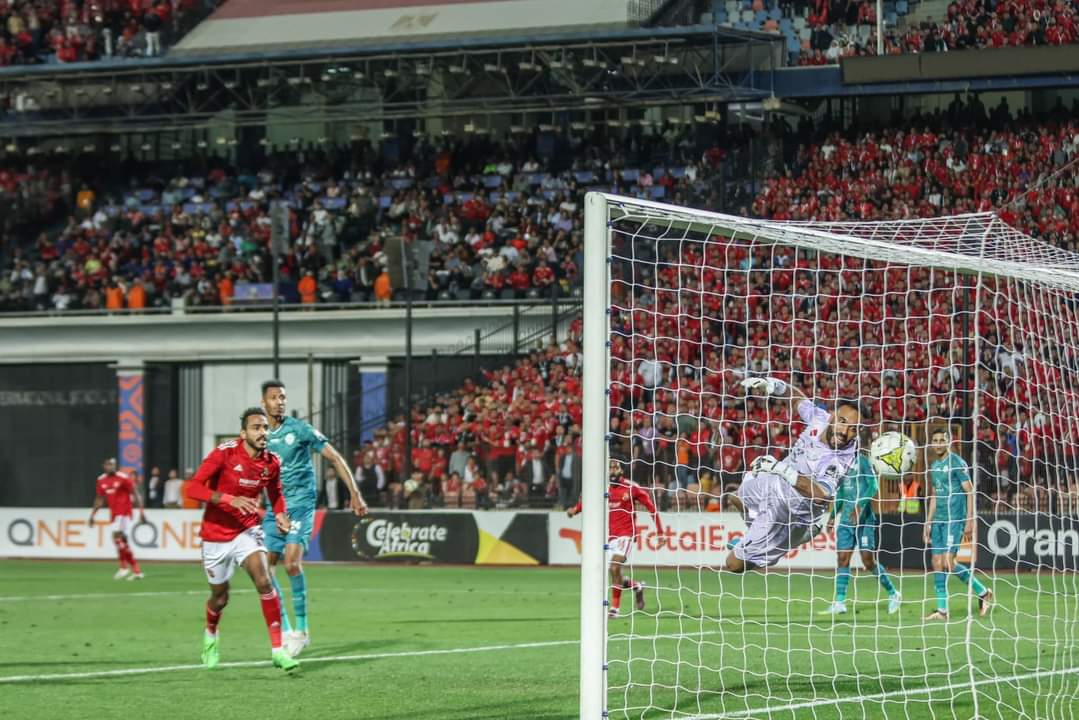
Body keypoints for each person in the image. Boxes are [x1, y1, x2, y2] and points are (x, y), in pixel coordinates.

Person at [185, 407, 298, 672]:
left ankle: (278, 650)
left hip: (246, 531)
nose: (262, 432)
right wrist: (228, 499)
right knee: (220, 598)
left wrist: (280, 514)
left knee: (264, 580)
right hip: (215, 535)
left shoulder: (271, 462)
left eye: (265, 428)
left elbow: (276, 493)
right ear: (243, 433)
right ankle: (211, 634)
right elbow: (193, 488)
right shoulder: (224, 453)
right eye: (256, 428)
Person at [261, 380, 368, 657]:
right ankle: (286, 630)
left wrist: (354, 493)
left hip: (300, 504)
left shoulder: (300, 429)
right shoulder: (260, 436)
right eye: (274, 397)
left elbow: (335, 458)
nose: (280, 402)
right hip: (275, 508)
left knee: (291, 563)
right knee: (265, 570)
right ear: (264, 403)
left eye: (283, 397)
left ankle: (302, 630)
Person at [725, 376, 860, 573]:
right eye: (842, 421)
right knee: (736, 497)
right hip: (773, 482)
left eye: (853, 429)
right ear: (832, 416)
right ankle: (761, 538)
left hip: (788, 511)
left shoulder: (841, 459)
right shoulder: (819, 418)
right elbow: (797, 398)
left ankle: (790, 540)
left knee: (733, 565)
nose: (845, 432)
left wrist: (781, 469)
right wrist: (774, 385)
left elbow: (821, 495)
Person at [567, 458, 662, 618]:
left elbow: (651, 507)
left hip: (626, 535)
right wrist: (575, 510)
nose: (612, 471)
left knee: (614, 568)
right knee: (614, 573)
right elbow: (588, 501)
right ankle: (637, 586)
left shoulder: (631, 488)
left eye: (615, 468)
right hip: (610, 538)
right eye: (609, 468)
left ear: (621, 470)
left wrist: (660, 532)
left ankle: (615, 609)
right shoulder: (604, 488)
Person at [923, 428, 993, 620]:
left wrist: (970, 519)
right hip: (938, 520)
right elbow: (935, 495)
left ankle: (983, 592)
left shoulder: (957, 462)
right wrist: (928, 522)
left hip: (954, 519)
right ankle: (942, 611)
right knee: (936, 562)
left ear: (948, 442)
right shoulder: (934, 466)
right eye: (935, 440)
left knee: (949, 562)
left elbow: (970, 491)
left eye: (942, 440)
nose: (938, 444)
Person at [821, 451, 901, 615]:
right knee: (842, 559)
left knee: (868, 561)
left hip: (864, 520)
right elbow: (841, 493)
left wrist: (859, 505)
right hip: (846, 521)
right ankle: (840, 602)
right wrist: (833, 515)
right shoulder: (840, 464)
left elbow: (873, 486)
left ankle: (894, 593)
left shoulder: (863, 462)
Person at [89, 458, 146, 580]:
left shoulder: (123, 477)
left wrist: (141, 511)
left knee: (117, 537)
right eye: (108, 464)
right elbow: (99, 499)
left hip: (124, 512)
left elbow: (135, 492)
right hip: (114, 514)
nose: (110, 466)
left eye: (112, 464)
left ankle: (128, 568)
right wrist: (93, 515)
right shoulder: (101, 480)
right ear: (104, 466)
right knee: (122, 541)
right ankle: (133, 570)